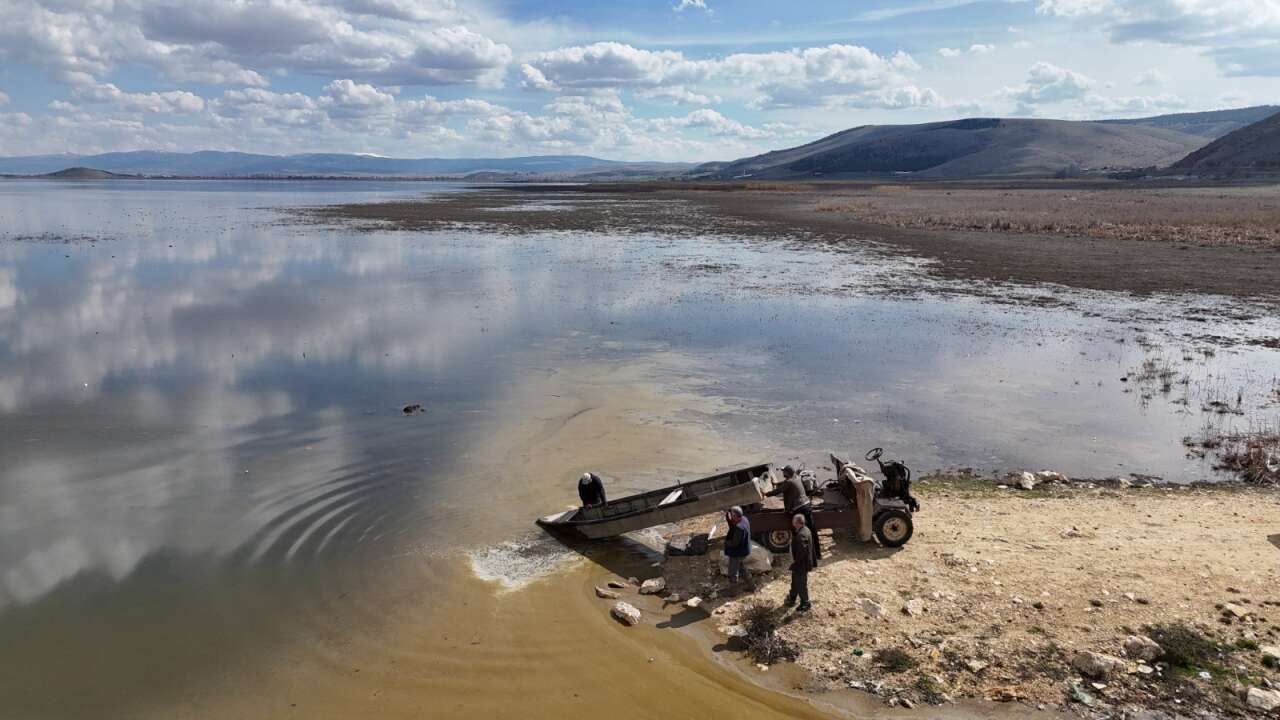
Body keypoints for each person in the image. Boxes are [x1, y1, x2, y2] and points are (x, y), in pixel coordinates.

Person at [766, 464, 821, 564]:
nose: (782, 473)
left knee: (802, 532)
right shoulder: (796, 478)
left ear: (787, 473)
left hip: (800, 508)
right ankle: (818, 554)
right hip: (806, 505)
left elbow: (777, 491)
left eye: (783, 471)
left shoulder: (789, 482)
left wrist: (765, 493)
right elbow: (783, 484)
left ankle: (809, 556)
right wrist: (776, 483)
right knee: (812, 530)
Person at [784, 513, 813, 612]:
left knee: (800, 583)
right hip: (800, 564)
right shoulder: (805, 529)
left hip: (801, 565)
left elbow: (802, 552)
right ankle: (792, 598)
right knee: (795, 581)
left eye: (793, 521)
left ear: (796, 523)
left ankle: (805, 603)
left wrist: (794, 564)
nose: (792, 522)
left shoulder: (801, 535)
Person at [723, 506, 754, 590]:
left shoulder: (739, 528)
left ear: (736, 516)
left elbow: (734, 544)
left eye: (732, 515)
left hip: (738, 552)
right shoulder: (744, 519)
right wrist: (728, 516)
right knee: (742, 568)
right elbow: (733, 523)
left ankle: (733, 592)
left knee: (733, 572)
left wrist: (725, 542)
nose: (731, 517)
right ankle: (752, 586)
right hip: (744, 549)